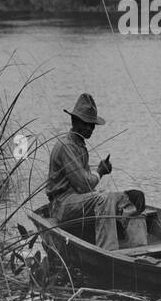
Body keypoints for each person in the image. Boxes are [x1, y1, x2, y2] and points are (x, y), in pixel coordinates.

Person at [46, 93, 126, 250]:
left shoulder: (79, 145)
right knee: (103, 199)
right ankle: (109, 251)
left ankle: (139, 248)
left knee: (128, 198)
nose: (90, 128)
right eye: (86, 124)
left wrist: (98, 174)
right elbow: (84, 185)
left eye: (92, 125)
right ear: (74, 121)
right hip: (61, 205)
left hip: (74, 201)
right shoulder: (67, 146)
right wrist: (100, 172)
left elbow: (85, 185)